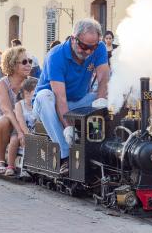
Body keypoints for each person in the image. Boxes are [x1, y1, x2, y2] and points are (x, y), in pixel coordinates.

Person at [33, 18, 110, 175]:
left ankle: (104, 147)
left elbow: (104, 78)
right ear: (74, 39)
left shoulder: (100, 48)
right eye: (84, 46)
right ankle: (65, 155)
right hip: (50, 105)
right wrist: (67, 126)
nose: (88, 52)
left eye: (93, 47)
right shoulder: (55, 56)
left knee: (104, 98)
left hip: (77, 100)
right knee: (45, 96)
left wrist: (102, 101)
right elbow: (59, 98)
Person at [0, 46, 32, 174]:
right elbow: (7, 110)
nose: (28, 65)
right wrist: (20, 132)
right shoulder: (3, 83)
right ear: (13, 65)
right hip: (2, 127)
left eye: (30, 61)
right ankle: (1, 160)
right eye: (24, 62)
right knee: (4, 119)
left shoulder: (32, 83)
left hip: (23, 126)